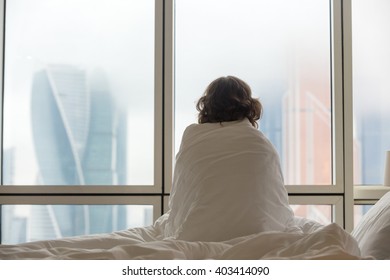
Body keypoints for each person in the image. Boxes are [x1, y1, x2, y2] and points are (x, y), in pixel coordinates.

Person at [164, 76, 294, 242]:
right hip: (262, 229)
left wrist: (172, 228)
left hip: (200, 233)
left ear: (207, 104)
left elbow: (181, 196)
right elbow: (276, 200)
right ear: (248, 106)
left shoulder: (193, 136)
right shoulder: (260, 142)